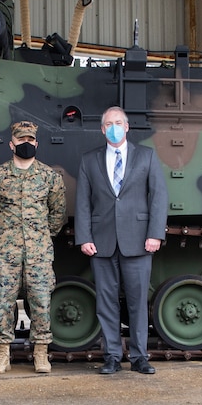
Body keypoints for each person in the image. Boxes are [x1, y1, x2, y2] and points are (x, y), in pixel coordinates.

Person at [74, 106, 168, 374]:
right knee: (106, 302)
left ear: (127, 127)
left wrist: (154, 234)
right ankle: (112, 356)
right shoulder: (89, 160)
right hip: (101, 242)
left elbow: (158, 197)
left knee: (138, 302)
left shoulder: (146, 156)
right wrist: (84, 237)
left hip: (138, 241)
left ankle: (139, 356)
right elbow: (82, 202)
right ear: (103, 129)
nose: (114, 127)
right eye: (108, 124)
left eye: (118, 122)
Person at [0, 120, 66, 374]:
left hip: (39, 253)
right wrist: (7, 236)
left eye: (30, 141)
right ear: (12, 144)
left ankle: (40, 353)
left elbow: (57, 215)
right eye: (21, 141)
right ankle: (2, 355)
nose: (26, 145)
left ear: (36, 144)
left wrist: (40, 236)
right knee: (3, 302)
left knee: (40, 301)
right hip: (6, 253)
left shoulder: (50, 177)